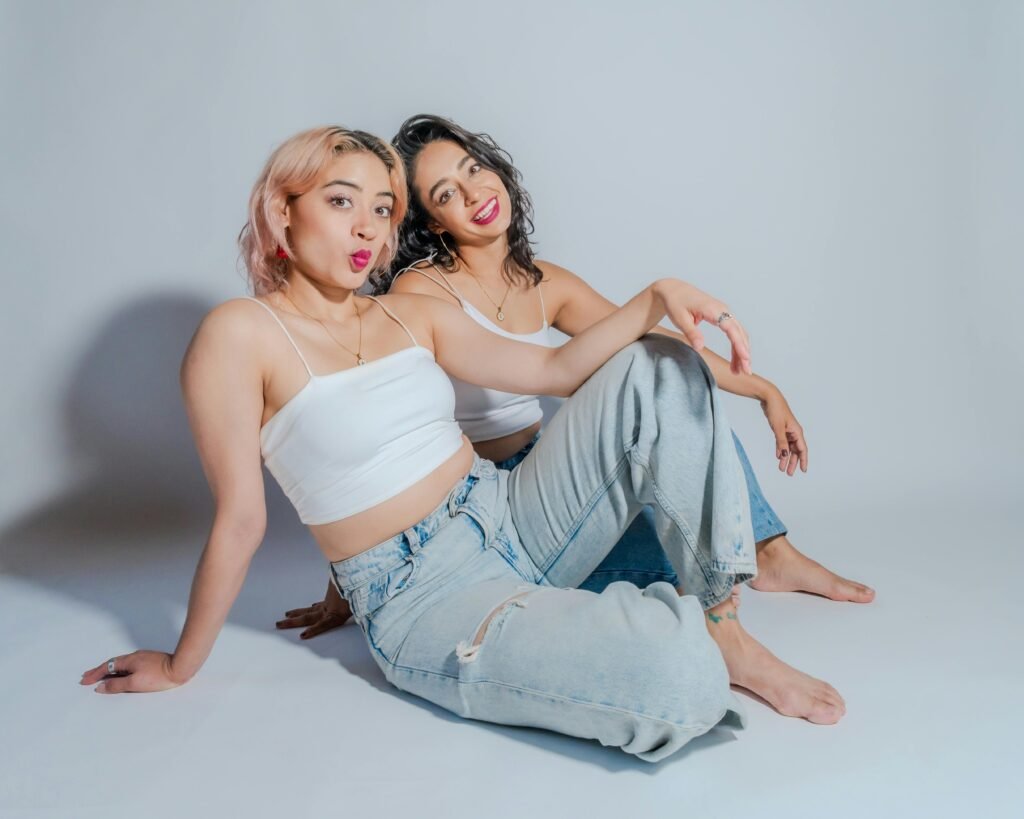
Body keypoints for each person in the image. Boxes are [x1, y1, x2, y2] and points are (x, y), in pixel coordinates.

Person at [81, 126, 844, 764]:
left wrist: (658, 294)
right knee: (686, 689)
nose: (366, 228)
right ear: (282, 212)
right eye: (341, 202)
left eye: (381, 209)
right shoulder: (237, 335)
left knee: (657, 364)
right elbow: (242, 520)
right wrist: (182, 665)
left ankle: (719, 617)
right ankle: (650, 634)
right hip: (421, 595)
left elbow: (554, 366)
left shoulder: (404, 315)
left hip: (509, 511)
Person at [278, 114, 872, 640]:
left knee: (673, 390)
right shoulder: (421, 291)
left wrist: (764, 389)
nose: (475, 192)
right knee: (691, 535)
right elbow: (378, 426)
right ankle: (741, 571)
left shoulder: (545, 281)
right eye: (446, 193)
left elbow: (653, 337)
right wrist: (349, 587)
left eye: (474, 168)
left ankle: (773, 552)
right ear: (433, 223)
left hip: (558, 466)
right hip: (488, 503)